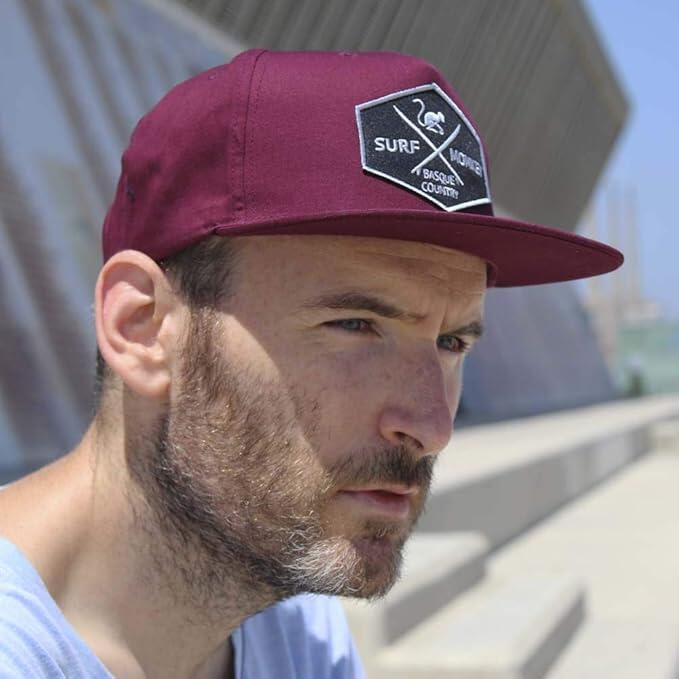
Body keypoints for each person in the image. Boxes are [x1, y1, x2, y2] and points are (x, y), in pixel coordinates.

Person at [0, 49, 622, 678]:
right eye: (356, 325)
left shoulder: (297, 631)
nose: (433, 427)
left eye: (451, 343)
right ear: (143, 327)